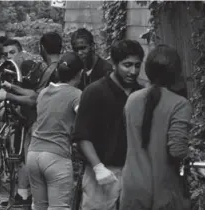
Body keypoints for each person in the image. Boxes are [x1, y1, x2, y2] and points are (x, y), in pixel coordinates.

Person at [72, 39, 144, 210]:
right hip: (101, 173)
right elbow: (82, 135)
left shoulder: (141, 94)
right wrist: (98, 167)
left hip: (133, 172)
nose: (133, 71)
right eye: (127, 65)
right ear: (114, 63)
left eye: (137, 65)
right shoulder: (95, 92)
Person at [119, 45, 192, 210]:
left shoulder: (132, 99)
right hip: (163, 191)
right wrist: (191, 157)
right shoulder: (180, 104)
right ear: (176, 72)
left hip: (132, 188)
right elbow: (177, 150)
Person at [0, 32, 62, 207]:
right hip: (40, 126)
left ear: (41, 49)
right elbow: (35, 94)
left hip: (44, 128)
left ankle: (27, 198)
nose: (9, 57)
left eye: (12, 52)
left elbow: (34, 99)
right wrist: (12, 88)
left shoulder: (51, 70)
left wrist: (8, 94)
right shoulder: (52, 68)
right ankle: (26, 197)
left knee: (39, 173)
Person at [27, 52, 83, 210]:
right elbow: (84, 121)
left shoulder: (44, 93)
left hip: (33, 155)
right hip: (56, 157)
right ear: (80, 73)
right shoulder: (76, 94)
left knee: (39, 207)